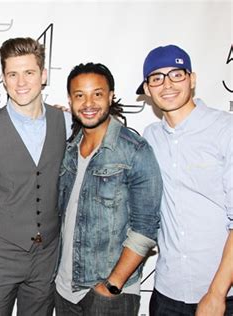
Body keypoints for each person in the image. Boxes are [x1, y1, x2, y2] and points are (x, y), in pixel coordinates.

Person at [0, 37, 72, 315]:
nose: (21, 82)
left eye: (29, 72)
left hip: (48, 256)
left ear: (43, 75)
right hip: (0, 256)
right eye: (13, 74)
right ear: (3, 78)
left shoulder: (67, 122)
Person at [54, 62, 162, 315]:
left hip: (109, 295)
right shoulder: (68, 149)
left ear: (111, 96)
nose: (88, 103)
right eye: (80, 95)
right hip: (63, 289)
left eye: (97, 94)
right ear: (70, 100)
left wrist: (112, 285)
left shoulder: (134, 149)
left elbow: (146, 227)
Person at [138, 45, 233, 316]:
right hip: (167, 291)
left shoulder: (226, 129)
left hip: (219, 294)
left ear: (192, 79)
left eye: (176, 74)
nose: (167, 84)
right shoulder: (150, 137)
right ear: (147, 89)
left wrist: (216, 293)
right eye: (157, 78)